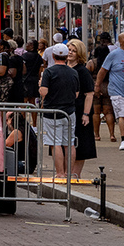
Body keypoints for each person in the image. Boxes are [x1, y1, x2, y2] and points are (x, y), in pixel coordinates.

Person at [38, 43, 79, 178]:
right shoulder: (73, 72)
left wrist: (40, 86)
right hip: (69, 111)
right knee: (69, 143)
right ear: (67, 56)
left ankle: (60, 173)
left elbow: (44, 91)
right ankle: (69, 172)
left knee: (55, 143)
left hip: (52, 112)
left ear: (53, 56)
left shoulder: (49, 72)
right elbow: (77, 94)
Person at [68, 39, 98, 179]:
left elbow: (89, 94)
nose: (70, 53)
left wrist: (86, 113)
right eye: (69, 49)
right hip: (65, 110)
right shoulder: (63, 68)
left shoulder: (82, 71)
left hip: (80, 111)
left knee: (81, 143)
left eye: (74, 51)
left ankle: (75, 173)